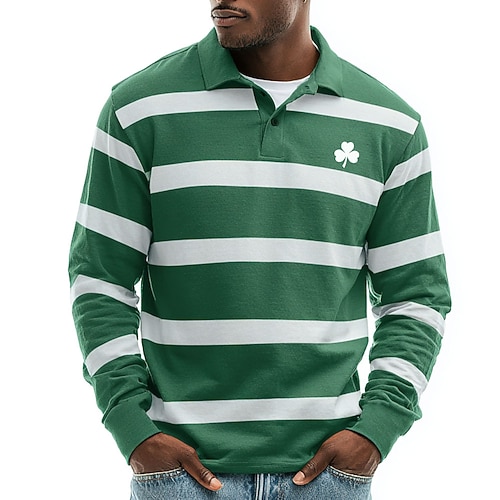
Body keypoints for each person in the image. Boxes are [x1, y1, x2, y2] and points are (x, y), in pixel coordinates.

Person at [68, 1, 451, 498]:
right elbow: (99, 280)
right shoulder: (139, 109)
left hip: (328, 476)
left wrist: (378, 428)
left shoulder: (389, 124)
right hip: (179, 473)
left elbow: (416, 295)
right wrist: (131, 423)